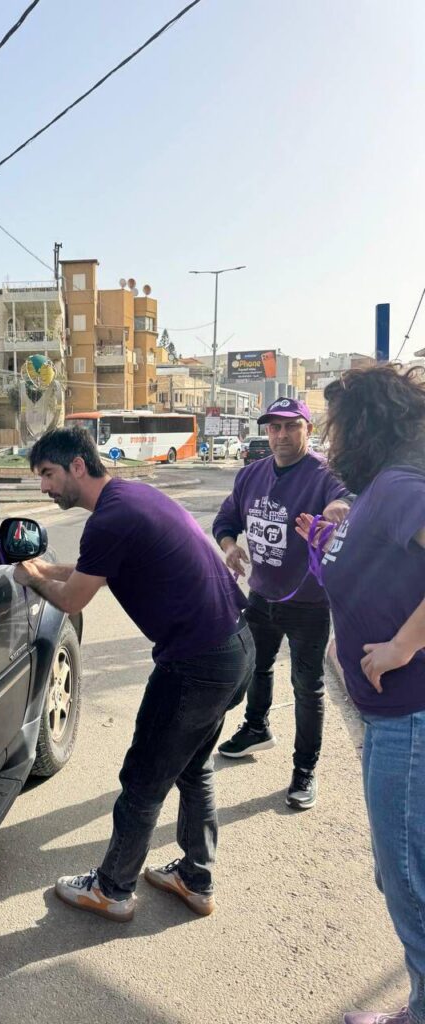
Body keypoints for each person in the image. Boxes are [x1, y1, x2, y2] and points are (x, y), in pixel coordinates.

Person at [13, 427, 255, 922]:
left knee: (144, 778)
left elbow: (73, 599)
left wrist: (31, 576)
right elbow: (94, 569)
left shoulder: (110, 520)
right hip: (235, 647)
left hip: (195, 664)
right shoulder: (129, 498)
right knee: (192, 768)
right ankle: (195, 878)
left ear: (77, 466)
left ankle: (112, 889)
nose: (44, 487)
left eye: (48, 474)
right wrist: (47, 568)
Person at [295, 365, 425, 1024]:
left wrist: (402, 644)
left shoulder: (400, 486)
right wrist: (335, 533)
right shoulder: (380, 490)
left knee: (409, 884)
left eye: (337, 425)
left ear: (368, 424)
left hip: (410, 721)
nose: (330, 439)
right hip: (392, 722)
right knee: (402, 874)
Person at [212, 397, 351, 810]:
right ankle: (256, 727)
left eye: (292, 426)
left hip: (308, 603)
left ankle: (304, 769)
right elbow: (225, 520)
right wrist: (229, 546)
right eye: (274, 427)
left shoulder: (324, 475)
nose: (282, 435)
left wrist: (334, 513)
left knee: (307, 687)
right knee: (257, 666)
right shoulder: (251, 475)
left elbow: (344, 500)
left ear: (308, 429)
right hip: (261, 596)